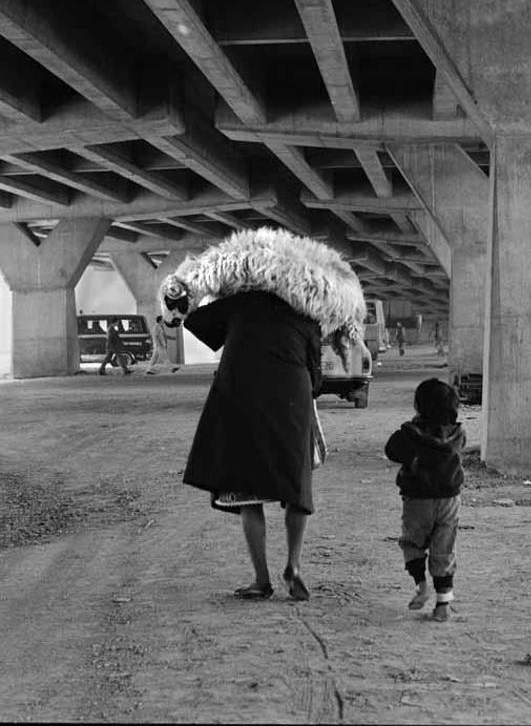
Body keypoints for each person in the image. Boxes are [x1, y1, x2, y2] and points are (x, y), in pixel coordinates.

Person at [160, 227, 365, 603]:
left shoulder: (238, 305)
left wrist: (188, 299)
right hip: (291, 399)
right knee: (296, 487)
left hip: (241, 397)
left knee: (247, 492)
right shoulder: (306, 317)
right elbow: (316, 376)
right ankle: (295, 566)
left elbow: (194, 321)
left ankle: (261, 579)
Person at [385, 378, 466, 621]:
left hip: (418, 500)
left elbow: (392, 450)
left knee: (413, 544)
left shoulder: (411, 434)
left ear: (419, 406)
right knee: (444, 549)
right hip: (449, 501)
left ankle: (421, 586)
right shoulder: (458, 434)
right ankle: (443, 603)